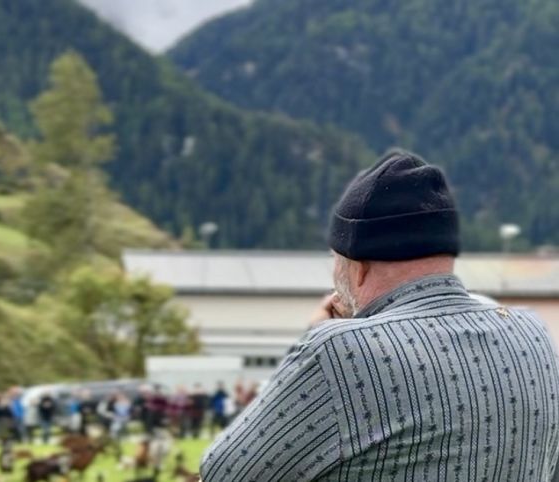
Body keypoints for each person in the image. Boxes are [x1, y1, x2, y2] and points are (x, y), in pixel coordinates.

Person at [200, 150, 559, 480]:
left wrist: (311, 347)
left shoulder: (338, 353)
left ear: (355, 268)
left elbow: (224, 473)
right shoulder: (533, 336)